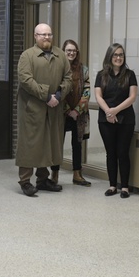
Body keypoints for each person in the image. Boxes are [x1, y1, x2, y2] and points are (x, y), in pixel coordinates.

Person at [15, 23, 72, 197]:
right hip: (32, 109)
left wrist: (59, 94)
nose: (46, 38)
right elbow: (25, 80)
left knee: (48, 143)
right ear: (35, 36)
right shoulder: (27, 55)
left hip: (54, 108)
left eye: (49, 34)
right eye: (42, 35)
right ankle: (25, 181)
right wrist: (47, 96)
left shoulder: (60, 55)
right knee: (30, 144)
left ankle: (43, 179)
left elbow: (68, 78)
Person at [95, 43, 138, 198]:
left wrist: (115, 111)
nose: (118, 58)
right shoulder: (101, 75)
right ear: (110, 57)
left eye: (121, 55)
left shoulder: (129, 74)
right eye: (115, 55)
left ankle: (125, 187)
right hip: (105, 120)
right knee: (110, 153)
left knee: (123, 152)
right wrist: (108, 112)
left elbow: (132, 97)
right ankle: (112, 186)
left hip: (125, 120)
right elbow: (98, 96)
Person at [51, 39, 92, 187]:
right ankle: (54, 174)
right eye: (68, 50)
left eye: (74, 51)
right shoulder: (58, 68)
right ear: (63, 51)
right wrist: (68, 110)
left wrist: (76, 111)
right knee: (57, 144)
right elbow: (56, 90)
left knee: (77, 144)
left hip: (79, 114)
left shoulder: (84, 69)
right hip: (61, 113)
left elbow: (87, 92)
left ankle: (77, 174)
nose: (71, 53)